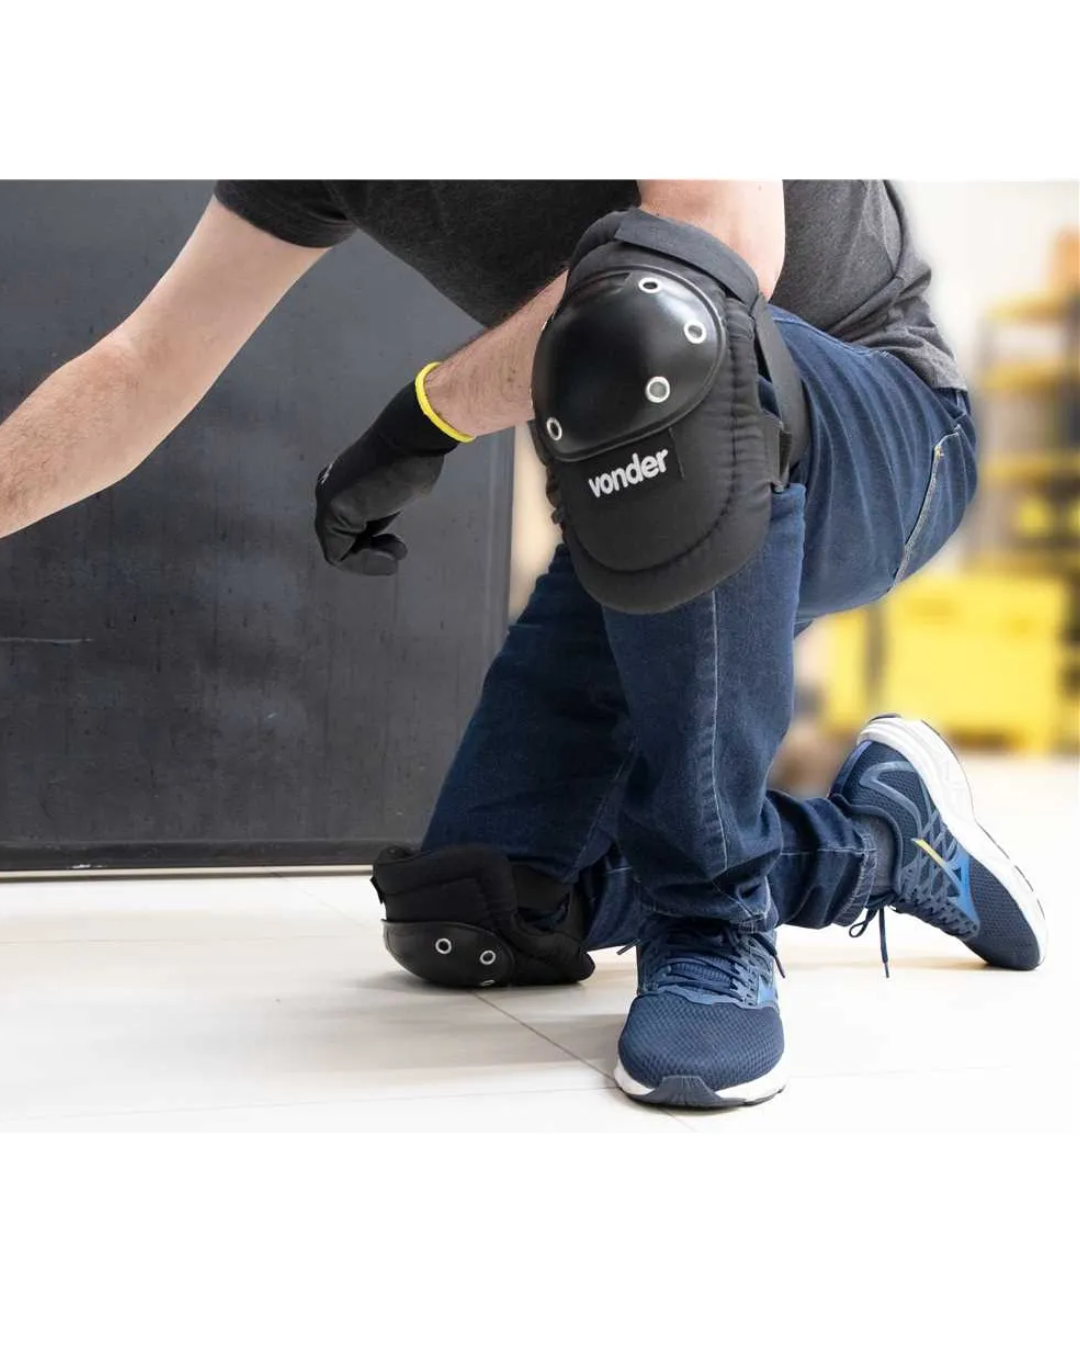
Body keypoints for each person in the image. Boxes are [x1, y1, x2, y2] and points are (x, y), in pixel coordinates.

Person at [0, 180, 1047, 1111]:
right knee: (479, 913)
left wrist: (425, 417)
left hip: (885, 434)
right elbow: (143, 364)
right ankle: (882, 843)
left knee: (661, 310)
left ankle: (712, 918)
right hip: (657, 488)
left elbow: (717, 242)